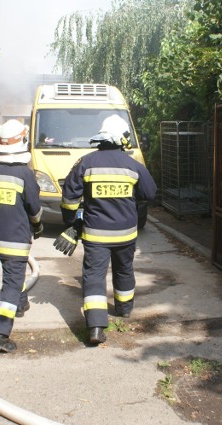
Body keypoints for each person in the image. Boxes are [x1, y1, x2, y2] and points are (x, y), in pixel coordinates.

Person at [54, 114, 157, 345]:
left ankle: (96, 327)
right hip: (126, 234)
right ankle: (125, 309)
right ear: (123, 139)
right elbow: (149, 194)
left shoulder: (85, 163)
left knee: (94, 277)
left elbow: (69, 198)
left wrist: (72, 223)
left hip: (95, 235)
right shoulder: (133, 165)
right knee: (124, 270)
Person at [0, 119, 43, 353]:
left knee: (12, 271)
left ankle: (20, 303)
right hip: (14, 238)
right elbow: (34, 208)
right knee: (12, 282)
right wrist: (37, 225)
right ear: (22, 141)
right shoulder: (23, 173)